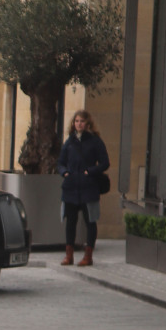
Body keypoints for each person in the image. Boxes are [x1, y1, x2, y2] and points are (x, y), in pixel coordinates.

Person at [58, 109, 110, 267]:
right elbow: (60, 162)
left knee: (90, 221)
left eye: (81, 121)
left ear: (88, 123)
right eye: (76, 121)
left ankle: (88, 255)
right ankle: (69, 255)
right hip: (71, 187)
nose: (79, 124)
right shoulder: (70, 141)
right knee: (70, 222)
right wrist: (65, 172)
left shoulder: (95, 141)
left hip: (89, 187)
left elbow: (105, 163)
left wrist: (90, 171)